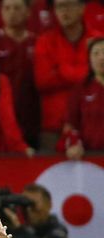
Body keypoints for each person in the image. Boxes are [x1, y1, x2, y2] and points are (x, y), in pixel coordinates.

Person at [34, 0, 97, 151]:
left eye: (68, 5)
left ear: (82, 9)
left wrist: (60, 69)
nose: (63, 11)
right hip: (54, 125)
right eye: (59, 6)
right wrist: (85, 72)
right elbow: (42, 80)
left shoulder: (97, 39)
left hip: (94, 126)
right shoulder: (44, 41)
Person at [0, 0, 41, 149]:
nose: (12, 12)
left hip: (32, 116)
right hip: (1, 118)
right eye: (7, 8)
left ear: (28, 12)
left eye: (17, 8)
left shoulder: (37, 42)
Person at [60, 37, 104, 159]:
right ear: (89, 59)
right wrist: (74, 144)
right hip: (90, 157)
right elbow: (71, 125)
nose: (101, 57)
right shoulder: (81, 89)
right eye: (96, 53)